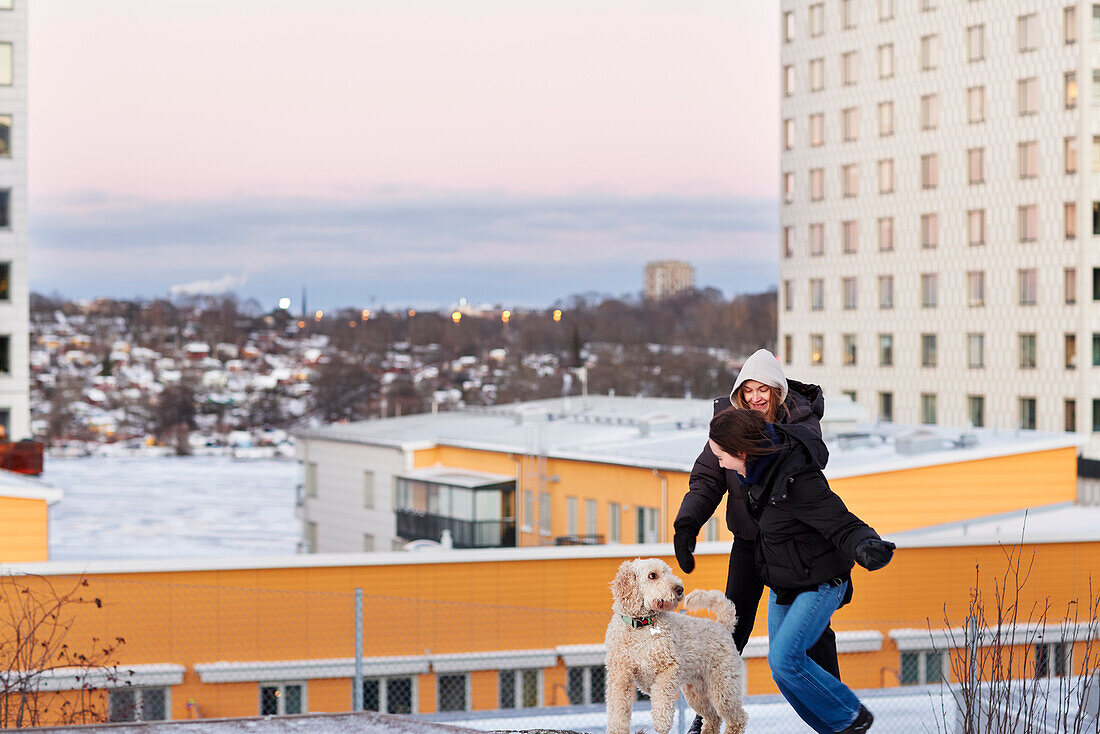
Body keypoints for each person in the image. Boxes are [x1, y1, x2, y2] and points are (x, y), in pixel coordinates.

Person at [673, 349, 842, 734]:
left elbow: (813, 472)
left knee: (813, 636)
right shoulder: (729, 426)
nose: (755, 397)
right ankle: (708, 716)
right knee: (731, 629)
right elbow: (706, 479)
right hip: (749, 543)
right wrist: (687, 524)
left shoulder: (800, 425)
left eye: (763, 388)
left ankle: (839, 717)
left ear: (778, 391)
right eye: (747, 390)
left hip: (794, 546)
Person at [706, 407, 895, 733]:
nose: (720, 463)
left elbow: (842, 522)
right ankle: (834, 729)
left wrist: (866, 544)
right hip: (787, 585)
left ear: (741, 451)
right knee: (781, 669)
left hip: (822, 582)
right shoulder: (753, 477)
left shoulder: (797, 478)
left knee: (785, 658)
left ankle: (852, 716)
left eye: (721, 456)